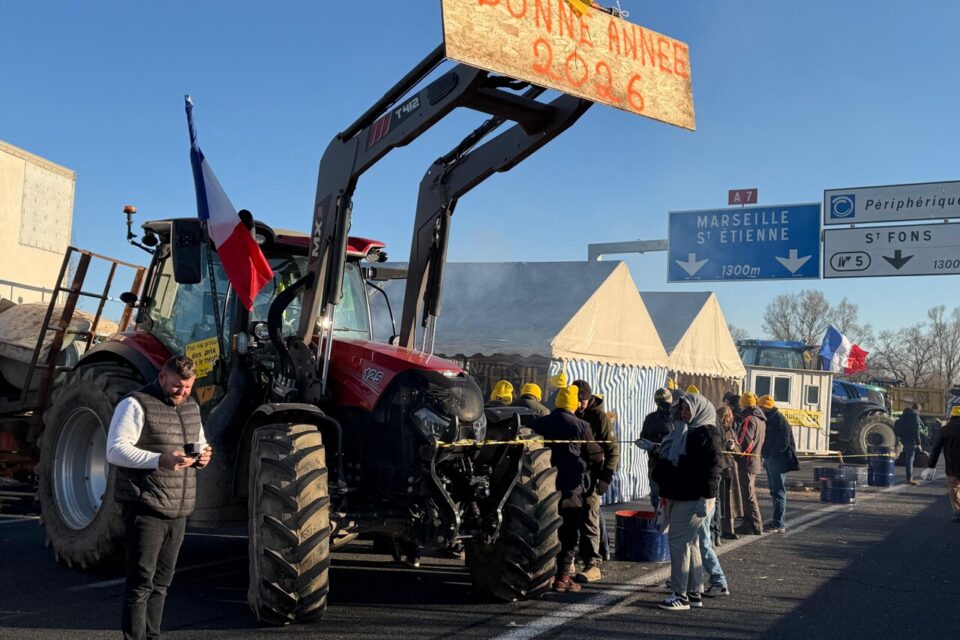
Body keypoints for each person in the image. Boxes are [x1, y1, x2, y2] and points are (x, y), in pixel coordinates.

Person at [106, 355, 212, 640]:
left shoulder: (191, 405)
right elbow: (115, 450)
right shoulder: (134, 404)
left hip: (178, 507)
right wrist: (159, 460)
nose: (183, 392)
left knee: (162, 583)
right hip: (146, 506)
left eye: (188, 386)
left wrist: (203, 455)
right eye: (177, 385)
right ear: (162, 377)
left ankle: (152, 636)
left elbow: (198, 440)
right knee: (141, 582)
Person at [645, 393, 724, 611]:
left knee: (679, 544)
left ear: (699, 410)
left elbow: (714, 469)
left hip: (691, 498)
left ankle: (680, 595)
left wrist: (706, 498)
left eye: (688, 409)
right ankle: (693, 592)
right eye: (682, 409)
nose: (683, 413)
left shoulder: (706, 434)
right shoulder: (685, 431)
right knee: (692, 545)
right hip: (681, 495)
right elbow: (674, 461)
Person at [532, 385, 603, 592]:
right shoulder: (581, 425)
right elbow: (596, 455)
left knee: (545, 529)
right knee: (569, 533)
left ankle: (543, 572)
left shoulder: (541, 423)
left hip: (543, 487)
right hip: (571, 487)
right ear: (574, 403)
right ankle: (562, 577)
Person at [572, 380, 620, 583]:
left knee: (590, 519)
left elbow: (613, 450)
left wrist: (605, 477)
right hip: (575, 475)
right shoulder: (574, 412)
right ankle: (574, 559)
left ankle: (593, 563)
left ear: (589, 399)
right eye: (577, 401)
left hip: (593, 475)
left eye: (582, 401)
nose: (579, 405)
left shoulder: (599, 416)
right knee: (573, 517)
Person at [759, 395, 797, 534]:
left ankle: (779, 523)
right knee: (775, 491)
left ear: (766, 407)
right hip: (773, 460)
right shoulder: (772, 419)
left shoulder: (779, 420)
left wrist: (770, 455)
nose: (759, 409)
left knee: (779, 492)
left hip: (778, 461)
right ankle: (777, 521)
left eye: (761, 407)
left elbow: (783, 443)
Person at [735, 392, 766, 536]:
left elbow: (745, 441)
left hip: (747, 461)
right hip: (754, 460)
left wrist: (736, 451)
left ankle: (755, 525)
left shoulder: (750, 419)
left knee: (748, 495)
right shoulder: (761, 419)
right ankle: (751, 523)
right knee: (749, 494)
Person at [923, 406, 960, 521]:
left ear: (952, 416)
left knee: (953, 487)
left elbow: (936, 449)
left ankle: (958, 512)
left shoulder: (945, 429)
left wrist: (931, 466)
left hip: (952, 466)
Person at [641, 388, 675, 508]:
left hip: (664, 461)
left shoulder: (652, 418)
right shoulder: (675, 418)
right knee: (662, 493)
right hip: (663, 460)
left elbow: (643, 438)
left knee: (661, 493)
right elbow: (643, 438)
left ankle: (660, 519)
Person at [716, 405, 744, 540]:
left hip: (730, 468)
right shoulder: (715, 430)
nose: (727, 421)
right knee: (718, 500)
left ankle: (728, 529)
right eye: (725, 418)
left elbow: (739, 450)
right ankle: (717, 529)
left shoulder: (731, 431)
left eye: (729, 418)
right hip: (719, 468)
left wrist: (733, 447)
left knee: (729, 501)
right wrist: (724, 447)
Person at [894, 403, 924, 484]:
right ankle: (909, 478)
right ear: (918, 410)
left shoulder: (905, 415)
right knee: (910, 460)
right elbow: (916, 432)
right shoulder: (915, 417)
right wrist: (919, 444)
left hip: (903, 440)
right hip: (911, 441)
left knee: (907, 459)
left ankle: (908, 477)